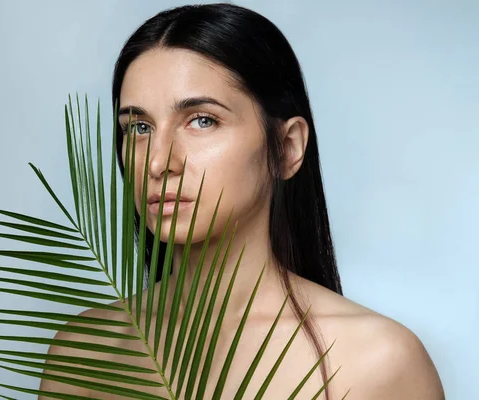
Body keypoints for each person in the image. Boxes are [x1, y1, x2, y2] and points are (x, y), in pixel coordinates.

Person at [39, 3, 444, 399]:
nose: (159, 161)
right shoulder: (84, 351)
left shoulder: (376, 362)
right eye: (140, 127)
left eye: (202, 120)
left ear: (287, 148)